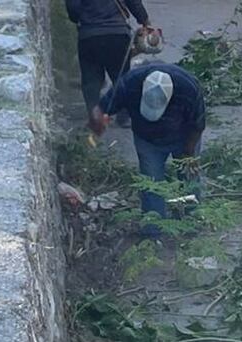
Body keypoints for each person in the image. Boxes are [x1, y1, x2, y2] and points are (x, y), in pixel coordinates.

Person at [90, 63, 206, 234]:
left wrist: (188, 155)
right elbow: (101, 109)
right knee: (151, 184)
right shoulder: (129, 84)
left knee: (188, 179)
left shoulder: (188, 88)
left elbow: (198, 124)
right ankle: (153, 230)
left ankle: (189, 222)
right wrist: (96, 123)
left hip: (183, 137)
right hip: (148, 141)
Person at [64, 0, 152, 127]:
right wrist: (144, 21)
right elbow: (133, 2)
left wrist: (86, 16)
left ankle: (95, 116)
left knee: (91, 80)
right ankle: (124, 117)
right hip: (118, 33)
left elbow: (73, 10)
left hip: (89, 35)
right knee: (121, 77)